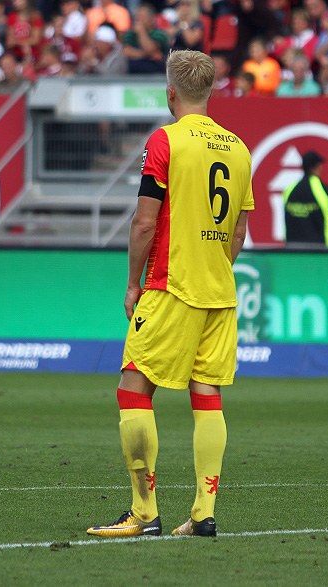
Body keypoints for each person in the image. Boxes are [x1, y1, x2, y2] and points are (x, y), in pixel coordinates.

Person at [86, 50, 253, 538]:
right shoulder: (239, 149)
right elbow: (239, 231)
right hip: (219, 292)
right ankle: (203, 514)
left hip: (170, 284)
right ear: (211, 91)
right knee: (208, 396)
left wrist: (133, 283)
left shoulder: (166, 139)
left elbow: (144, 222)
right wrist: (212, 268)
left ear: (170, 93)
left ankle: (144, 513)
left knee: (133, 389)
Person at [282, 150, 328, 249]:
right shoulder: (327, 191)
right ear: (318, 166)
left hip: (294, 250)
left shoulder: (288, 191)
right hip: (321, 250)